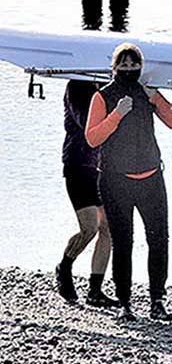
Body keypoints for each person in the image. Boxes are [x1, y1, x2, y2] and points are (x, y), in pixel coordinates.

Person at [84, 42, 172, 321]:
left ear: (141, 67)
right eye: (124, 65)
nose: (129, 69)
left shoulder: (147, 92)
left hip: (151, 177)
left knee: (159, 239)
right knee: (123, 241)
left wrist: (157, 99)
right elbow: (92, 138)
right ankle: (125, 302)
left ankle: (157, 300)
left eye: (134, 65)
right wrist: (117, 114)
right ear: (114, 67)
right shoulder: (103, 97)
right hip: (116, 181)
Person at [54, 79, 114, 306]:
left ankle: (95, 290)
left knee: (108, 227)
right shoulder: (77, 85)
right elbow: (86, 123)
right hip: (78, 165)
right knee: (89, 227)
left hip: (103, 167)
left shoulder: (110, 85)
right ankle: (65, 266)